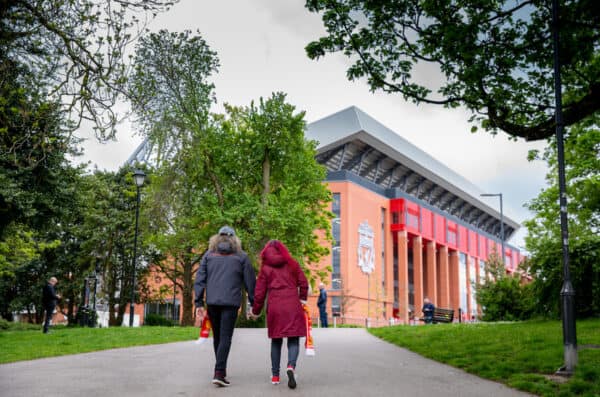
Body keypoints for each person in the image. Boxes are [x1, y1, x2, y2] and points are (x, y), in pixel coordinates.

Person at [194, 226, 256, 387]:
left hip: (212, 302)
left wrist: (199, 302)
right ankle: (219, 372)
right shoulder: (242, 257)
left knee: (218, 337)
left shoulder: (208, 255)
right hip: (230, 303)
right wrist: (254, 304)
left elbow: (200, 279)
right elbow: (250, 283)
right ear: (235, 239)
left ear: (217, 238)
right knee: (225, 338)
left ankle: (220, 370)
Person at [251, 240, 309, 389]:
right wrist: (302, 299)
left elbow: (259, 293)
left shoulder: (265, 268)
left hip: (275, 306)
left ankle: (275, 376)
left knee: (276, 340)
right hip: (292, 305)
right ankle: (291, 366)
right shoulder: (292, 264)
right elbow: (304, 282)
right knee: (293, 338)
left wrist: (256, 311)